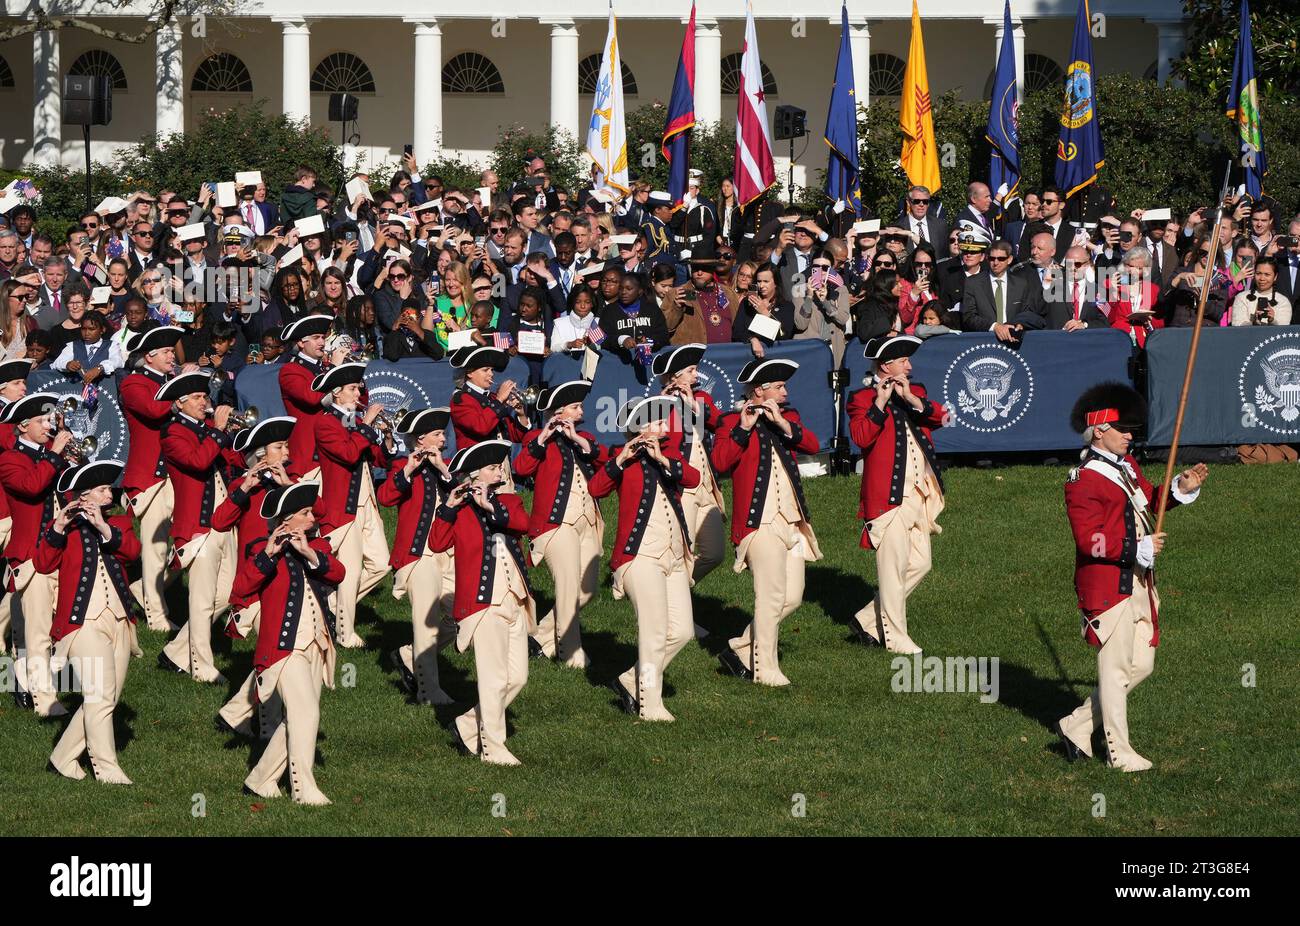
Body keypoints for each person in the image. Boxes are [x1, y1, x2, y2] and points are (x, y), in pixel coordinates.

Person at [1057, 382, 1208, 772]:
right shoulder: (1083, 479)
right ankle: (1119, 754)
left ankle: (1076, 725)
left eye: (1132, 430)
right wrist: (1135, 548)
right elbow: (1088, 540)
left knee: (1141, 665)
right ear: (1100, 430)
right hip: (1108, 588)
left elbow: (1149, 505)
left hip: (1140, 580)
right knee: (1116, 668)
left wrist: (1179, 489)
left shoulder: (1127, 467)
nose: (1130, 435)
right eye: (1123, 429)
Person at [712, 359, 822, 686]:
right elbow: (720, 461)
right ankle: (765, 668)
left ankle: (743, 649)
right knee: (771, 596)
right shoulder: (732, 420)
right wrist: (744, 428)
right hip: (757, 523)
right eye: (779, 387)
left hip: (791, 520)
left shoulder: (788, 418)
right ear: (759, 390)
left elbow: (812, 445)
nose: (785, 392)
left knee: (793, 596)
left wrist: (784, 425)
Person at [589, 397, 700, 721]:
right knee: (653, 632)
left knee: (682, 632)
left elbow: (692, 478)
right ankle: (649, 703)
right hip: (639, 557)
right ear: (641, 427)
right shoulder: (621, 459)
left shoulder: (670, 453)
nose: (666, 426)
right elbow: (597, 489)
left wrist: (663, 459)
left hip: (674, 556)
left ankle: (630, 678)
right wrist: (621, 459)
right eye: (659, 422)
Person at [236, 480, 346, 804]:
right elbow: (241, 588)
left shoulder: (318, 546)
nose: (313, 518)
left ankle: (261, 779)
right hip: (283, 649)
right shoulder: (261, 549)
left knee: (297, 716)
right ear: (286, 520)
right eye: (305, 513)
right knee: (307, 713)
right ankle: (303, 789)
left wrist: (309, 552)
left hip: (316, 644)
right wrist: (270, 554)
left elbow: (338, 573)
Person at [431, 439, 534, 765]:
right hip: (482, 604)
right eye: (492, 468)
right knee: (493, 679)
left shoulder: (507, 500)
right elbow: (436, 542)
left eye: (498, 466)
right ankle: (493, 748)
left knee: (517, 677)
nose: (499, 471)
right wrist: (449, 505)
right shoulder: (458, 511)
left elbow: (523, 525)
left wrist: (492, 507)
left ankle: (466, 724)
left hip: (514, 599)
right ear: (475, 476)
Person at [39, 459, 140, 784]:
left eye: (107, 488)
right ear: (84, 496)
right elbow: (42, 563)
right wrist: (57, 526)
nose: (108, 493)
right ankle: (106, 768)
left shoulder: (119, 521)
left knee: (106, 697)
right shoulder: (65, 529)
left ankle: (63, 757)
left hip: (120, 618)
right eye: (101, 489)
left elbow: (133, 553)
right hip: (81, 623)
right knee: (100, 693)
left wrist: (102, 527)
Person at [846, 335, 947, 654]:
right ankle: (895, 637)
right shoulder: (860, 397)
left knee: (920, 563)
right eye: (904, 361)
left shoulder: (916, 392)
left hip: (918, 494)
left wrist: (911, 399)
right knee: (892, 569)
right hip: (886, 498)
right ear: (886, 365)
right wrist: (879, 401)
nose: (910, 365)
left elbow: (944, 418)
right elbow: (861, 437)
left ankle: (866, 619)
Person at [212, 417, 296, 740]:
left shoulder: (291, 481)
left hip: (284, 581)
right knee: (276, 651)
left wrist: (286, 483)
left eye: (286, 445)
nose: (287, 451)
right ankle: (263, 725)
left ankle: (243, 717)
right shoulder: (245, 486)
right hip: (255, 583)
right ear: (261, 454)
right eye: (280, 447)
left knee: (276, 651)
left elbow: (314, 517)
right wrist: (246, 486)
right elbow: (220, 522)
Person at [512, 380, 606, 668]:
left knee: (586, 590)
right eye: (575, 407)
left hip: (587, 521)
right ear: (559, 412)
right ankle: (570, 651)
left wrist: (577, 439)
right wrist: (543, 438)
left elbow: (605, 463)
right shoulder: (537, 440)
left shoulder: (585, 436)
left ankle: (541, 636)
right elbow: (521, 469)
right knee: (567, 586)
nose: (581, 411)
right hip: (554, 524)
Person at [156, 371, 242, 684]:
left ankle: (177, 651)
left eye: (205, 396)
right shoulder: (172, 432)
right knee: (203, 600)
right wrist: (218, 431)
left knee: (229, 593)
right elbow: (198, 461)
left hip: (222, 523)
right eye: (196, 398)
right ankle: (201, 667)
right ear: (180, 404)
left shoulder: (206, 429)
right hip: (197, 529)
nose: (204, 402)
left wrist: (242, 440)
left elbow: (231, 459)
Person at [377, 407, 458, 705]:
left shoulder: (446, 466)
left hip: (447, 552)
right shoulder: (402, 465)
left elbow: (460, 497)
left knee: (457, 620)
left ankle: (410, 655)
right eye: (438, 434)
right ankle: (428, 690)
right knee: (426, 624)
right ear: (421, 439)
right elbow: (385, 497)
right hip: (417, 554)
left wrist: (444, 471)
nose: (443, 438)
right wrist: (409, 470)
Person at [312, 362, 393, 649]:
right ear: (336, 393)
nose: (359, 392)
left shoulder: (355, 422)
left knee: (382, 565)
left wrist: (387, 436)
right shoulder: (324, 422)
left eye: (359, 387)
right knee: (351, 571)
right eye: (352, 388)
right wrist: (368, 424)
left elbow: (381, 460)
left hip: (367, 503)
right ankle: (345, 633)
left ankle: (332, 603)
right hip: (344, 507)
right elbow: (347, 453)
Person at [0, 393, 72, 715]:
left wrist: (71, 462)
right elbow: (31, 486)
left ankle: (22, 680)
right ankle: (46, 701)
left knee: (50, 628)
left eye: (50, 421)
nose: (49, 426)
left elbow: (69, 493)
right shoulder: (9, 459)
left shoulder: (51, 457)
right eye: (43, 421)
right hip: (31, 557)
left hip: (58, 552)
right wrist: (55, 455)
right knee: (38, 633)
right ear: (23, 426)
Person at [120, 327, 187, 632]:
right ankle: (156, 615)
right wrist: (181, 394)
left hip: (174, 474)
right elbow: (152, 410)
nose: (173, 355)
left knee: (195, 540)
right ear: (150, 356)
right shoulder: (134, 382)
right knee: (156, 548)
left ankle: (142, 589)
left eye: (172, 351)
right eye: (168, 352)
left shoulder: (170, 383)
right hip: (149, 478)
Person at [654, 345, 726, 597]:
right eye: (691, 371)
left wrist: (693, 405)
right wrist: (665, 404)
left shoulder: (702, 399)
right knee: (683, 552)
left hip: (708, 487)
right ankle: (680, 612)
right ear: (675, 376)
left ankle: (671, 593)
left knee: (715, 553)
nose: (696, 376)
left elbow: (720, 423)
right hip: (682, 488)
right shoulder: (658, 404)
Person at [277, 314, 333, 478]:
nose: (322, 342)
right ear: (301, 343)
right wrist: (335, 373)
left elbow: (356, 402)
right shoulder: (290, 370)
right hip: (309, 458)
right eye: (316, 338)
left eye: (323, 337)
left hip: (336, 450)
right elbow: (311, 398)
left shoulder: (326, 369)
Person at [448, 345, 530, 450]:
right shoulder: (460, 400)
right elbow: (481, 427)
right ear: (470, 373)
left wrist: (521, 414)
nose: (491, 374)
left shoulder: (493, 398)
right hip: (478, 463)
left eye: (491, 370)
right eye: (485, 370)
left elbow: (516, 437)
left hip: (501, 463)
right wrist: (499, 400)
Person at [1230, 256, 1293, 326]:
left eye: (1267, 274)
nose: (1262, 278)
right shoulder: (1242, 298)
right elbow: (1237, 327)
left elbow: (1284, 332)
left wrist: (1272, 320)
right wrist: (1254, 320)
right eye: (1258, 273)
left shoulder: (1283, 301)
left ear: (1275, 276)